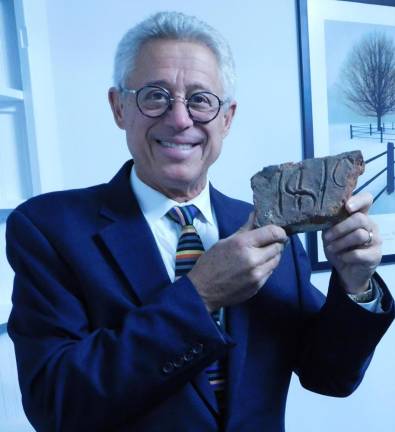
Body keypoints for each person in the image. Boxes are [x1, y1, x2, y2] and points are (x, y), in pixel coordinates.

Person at [6, 11, 394, 432]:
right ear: (119, 107)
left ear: (226, 118)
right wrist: (200, 295)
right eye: (154, 95)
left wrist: (356, 284)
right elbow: (55, 405)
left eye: (200, 99)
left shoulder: (271, 225)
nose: (179, 119)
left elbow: (329, 376)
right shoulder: (49, 229)